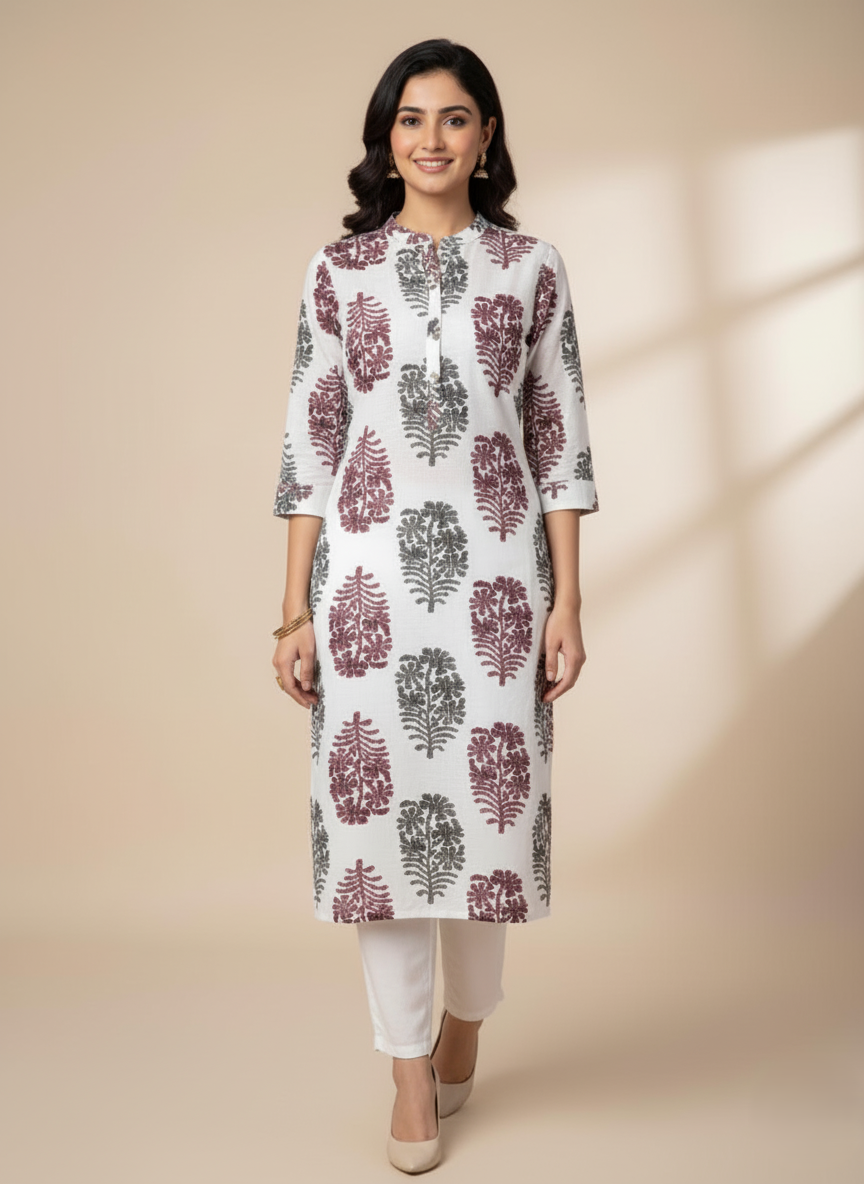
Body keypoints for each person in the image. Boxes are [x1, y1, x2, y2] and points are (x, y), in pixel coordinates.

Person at [271, 38, 598, 1173]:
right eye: (411, 119)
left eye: (454, 118)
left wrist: (566, 600)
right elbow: (311, 443)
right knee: (377, 828)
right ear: (386, 137)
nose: (431, 139)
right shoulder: (337, 273)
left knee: (490, 822)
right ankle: (407, 1066)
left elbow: (560, 441)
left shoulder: (533, 269)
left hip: (499, 585)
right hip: (366, 586)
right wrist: (294, 610)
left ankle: (469, 1018)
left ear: (486, 136)